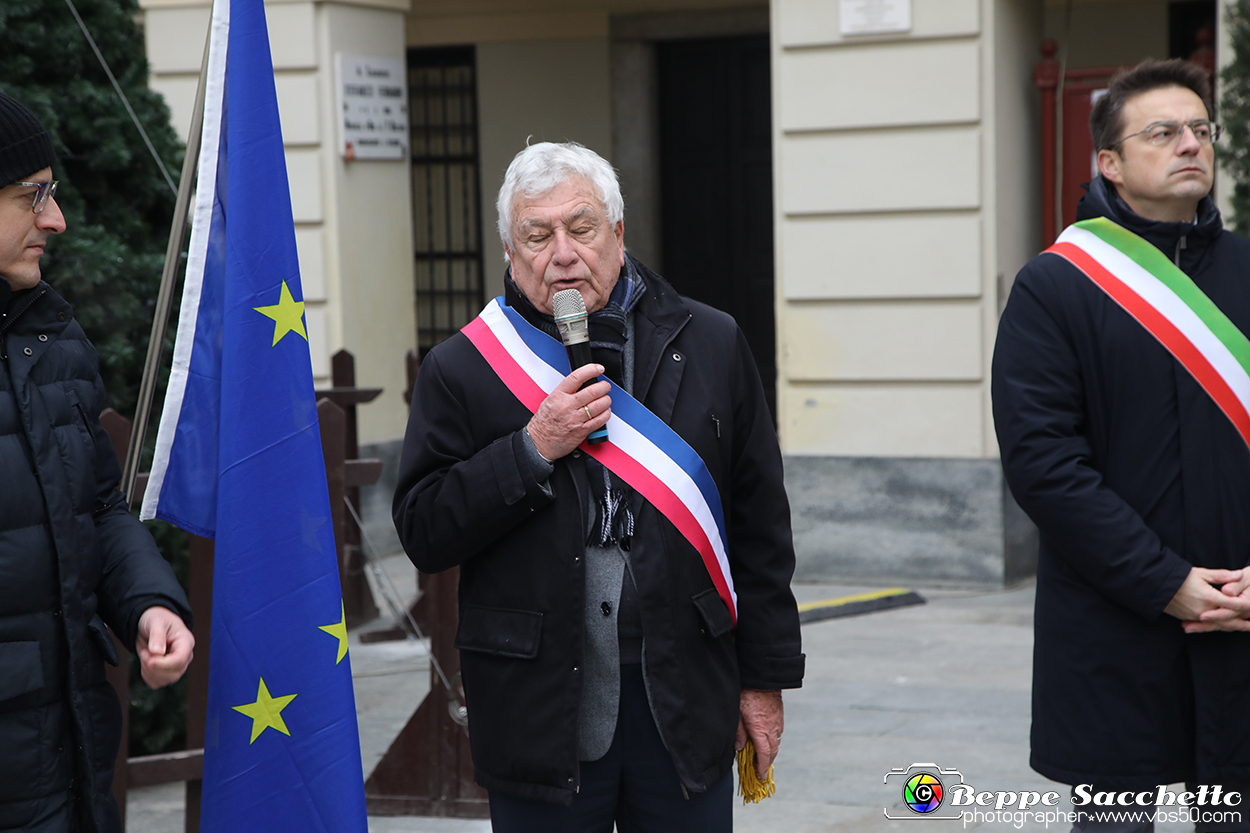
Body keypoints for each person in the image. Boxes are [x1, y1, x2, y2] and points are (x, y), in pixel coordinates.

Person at [393, 141, 804, 831]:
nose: (562, 252)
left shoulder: (711, 341)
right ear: (510, 249)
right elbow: (423, 529)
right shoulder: (462, 367)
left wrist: (763, 680)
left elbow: (760, 527)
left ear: (618, 233)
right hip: (537, 709)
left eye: (580, 228)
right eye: (537, 235)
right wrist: (530, 450)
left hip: (682, 694)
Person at [993, 60, 1250, 833]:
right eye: (1163, 132)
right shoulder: (1056, 286)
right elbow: (1045, 464)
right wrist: (1163, 580)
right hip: (1113, 625)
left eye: (1201, 130)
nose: (1189, 145)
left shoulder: (1247, 271)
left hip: (1242, 620)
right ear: (1109, 162)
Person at [0, 91, 194, 833]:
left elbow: (98, 506)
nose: (57, 220)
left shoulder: (54, 338)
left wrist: (149, 602)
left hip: (73, 755)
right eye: (33, 196)